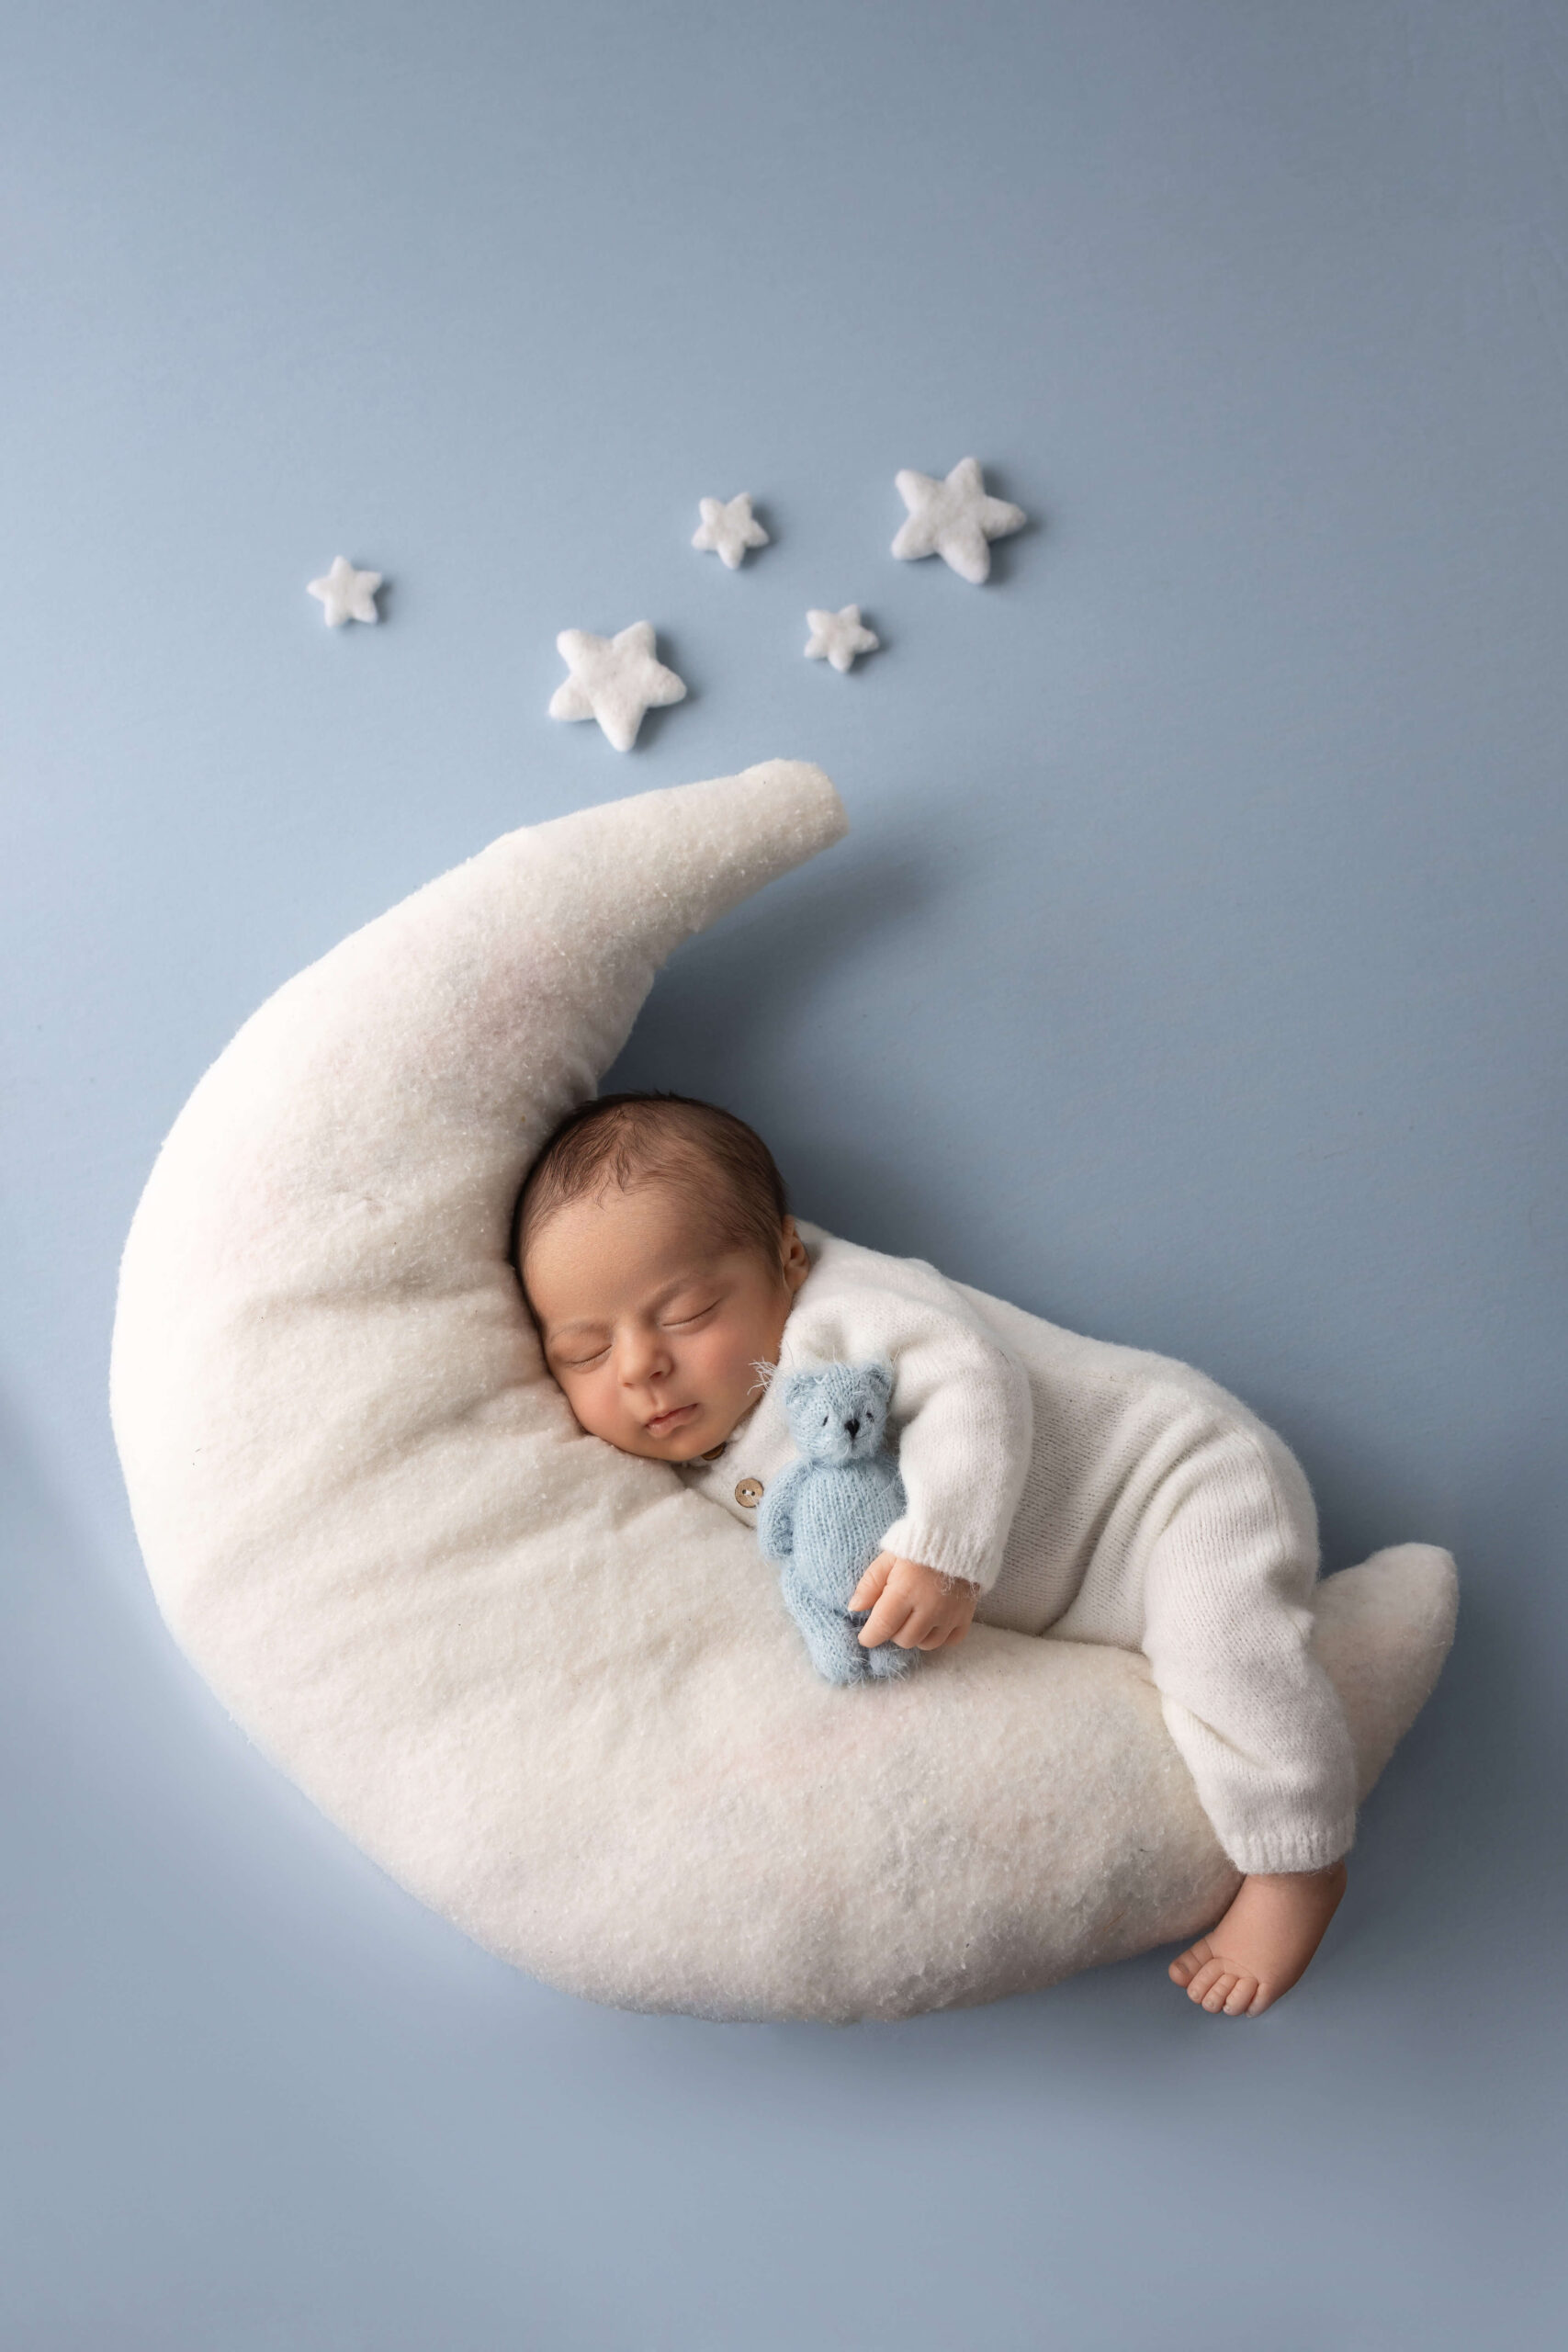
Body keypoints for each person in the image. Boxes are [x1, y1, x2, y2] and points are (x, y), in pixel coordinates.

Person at [515, 1090, 1355, 2018]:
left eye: (686, 1311)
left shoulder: (841, 1315)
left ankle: (1299, 1862)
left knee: (1226, 1655)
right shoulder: (677, 1459)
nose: (639, 1366)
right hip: (1075, 1599)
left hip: (1169, 1488)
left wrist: (943, 1547)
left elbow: (971, 1383)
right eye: (584, 1353)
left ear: (786, 1258)